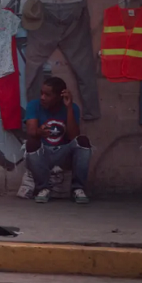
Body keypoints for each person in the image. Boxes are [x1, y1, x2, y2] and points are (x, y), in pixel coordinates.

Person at [24, 76, 92, 204]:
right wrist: (41, 131)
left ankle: (78, 189)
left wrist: (69, 108)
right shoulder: (34, 105)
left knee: (83, 141)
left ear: (59, 96)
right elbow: (31, 131)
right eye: (41, 93)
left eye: (47, 95)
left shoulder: (72, 108)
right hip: (43, 153)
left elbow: (73, 136)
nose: (43, 97)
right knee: (31, 143)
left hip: (63, 153)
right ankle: (43, 188)